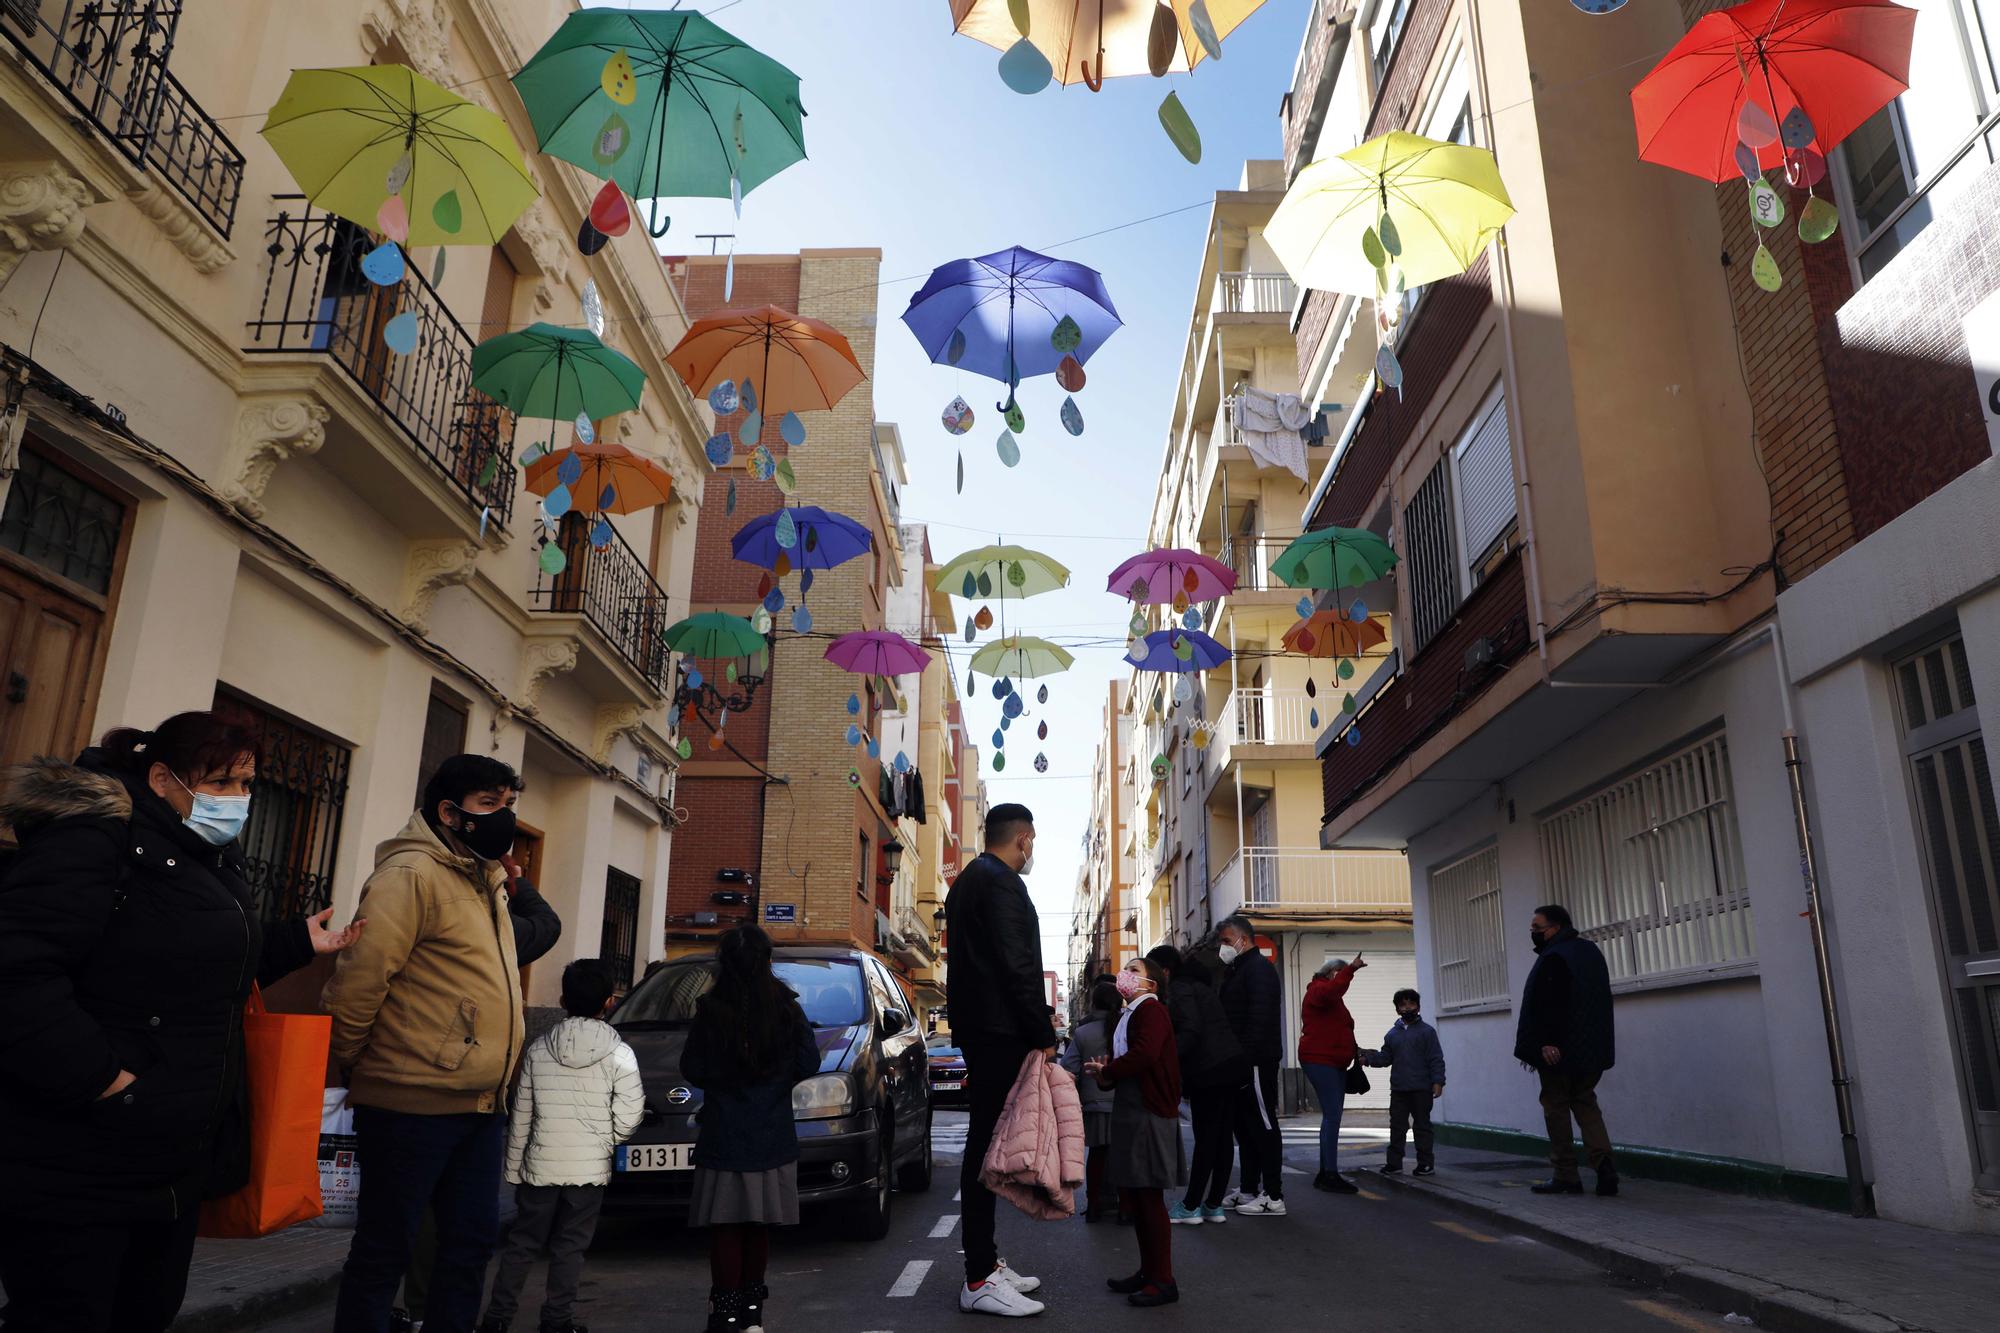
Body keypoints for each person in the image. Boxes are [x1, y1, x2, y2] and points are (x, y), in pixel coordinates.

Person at [0, 713, 365, 1332]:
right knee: (65, 1315)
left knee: (144, 1312)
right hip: (79, 1154)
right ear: (163, 778)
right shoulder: (91, 841)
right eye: (221, 782)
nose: (238, 800)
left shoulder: (209, 855)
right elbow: (17, 975)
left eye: (248, 785)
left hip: (172, 1156)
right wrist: (107, 1083)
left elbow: (192, 965)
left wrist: (291, 943)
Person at [324, 755, 530, 1332]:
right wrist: (359, 1065)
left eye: (509, 805)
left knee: (466, 1250)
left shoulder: (486, 878)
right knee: (385, 1250)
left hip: (482, 1105)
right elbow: (362, 978)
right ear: (449, 812)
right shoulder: (411, 874)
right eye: (489, 805)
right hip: (409, 1103)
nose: (504, 817)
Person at [396, 853, 563, 1333]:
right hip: (463, 1088)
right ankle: (436, 1312)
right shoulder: (494, 927)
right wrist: (519, 882)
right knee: (456, 1217)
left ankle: (423, 1307)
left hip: (444, 1084)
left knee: (429, 1211)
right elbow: (547, 925)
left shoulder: (442, 914)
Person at [478, 959, 642, 1333]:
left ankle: (497, 1319)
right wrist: (604, 1141)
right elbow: (631, 1113)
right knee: (571, 1246)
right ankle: (557, 1320)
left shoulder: (538, 1050)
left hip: (540, 1168)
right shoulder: (620, 1054)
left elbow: (520, 1114)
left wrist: (514, 1167)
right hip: (588, 1172)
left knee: (522, 1244)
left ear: (563, 999)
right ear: (609, 1002)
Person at [944, 803, 1056, 1318]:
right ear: (1024, 839)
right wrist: (1042, 1030)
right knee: (986, 1152)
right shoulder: (1003, 884)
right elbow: (1018, 968)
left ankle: (986, 1263)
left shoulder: (967, 879)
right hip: (999, 1032)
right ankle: (980, 1277)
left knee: (985, 1149)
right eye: (1033, 843)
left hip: (980, 1029)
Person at [680, 925, 820, 1333]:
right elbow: (808, 1062)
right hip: (772, 1133)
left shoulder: (710, 1008)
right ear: (767, 962)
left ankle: (722, 1314)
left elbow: (693, 1068)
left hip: (724, 1133)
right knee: (758, 1225)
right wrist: (775, 1084)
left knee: (725, 1226)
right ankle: (752, 1315)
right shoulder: (786, 1007)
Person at [1085, 958, 1184, 1309]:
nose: (1125, 975)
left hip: (1148, 1110)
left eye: (1134, 971)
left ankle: (1163, 1280)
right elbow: (1131, 1059)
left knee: (1149, 1198)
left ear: (1152, 984)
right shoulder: (1130, 1014)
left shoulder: (1151, 1011)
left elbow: (1144, 1055)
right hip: (1131, 1107)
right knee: (1137, 1198)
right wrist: (1106, 1074)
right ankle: (1148, 1272)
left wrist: (1110, 1070)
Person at [1516, 904, 1618, 1197]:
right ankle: (1605, 1166)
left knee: (1556, 1108)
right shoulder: (1590, 952)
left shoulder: (1555, 958)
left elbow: (1552, 1004)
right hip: (1593, 1050)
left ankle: (1566, 1174)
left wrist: (1547, 1042)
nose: (1533, 934)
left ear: (1556, 928)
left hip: (1559, 1051)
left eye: (1538, 928)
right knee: (1586, 1104)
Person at [1147, 945, 1249, 1226]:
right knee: (1222, 1137)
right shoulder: (1199, 985)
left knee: (1207, 1138)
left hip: (1210, 1070)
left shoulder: (1180, 989)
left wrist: (1166, 1059)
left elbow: (1190, 1029)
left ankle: (1191, 1205)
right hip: (1231, 1065)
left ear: (1164, 971)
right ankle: (1213, 1205)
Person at [1215, 916, 1287, 1216]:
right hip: (1242, 1061)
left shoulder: (1258, 970)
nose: (1223, 947)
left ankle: (1273, 1196)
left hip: (1256, 1061)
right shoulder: (1239, 970)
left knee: (1264, 1124)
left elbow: (1259, 1018)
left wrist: (1247, 1058)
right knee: (1246, 1128)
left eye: (1227, 941)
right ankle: (1248, 1188)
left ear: (1243, 938)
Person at [1299, 952, 1367, 1194]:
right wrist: (1351, 970)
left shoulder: (1327, 995)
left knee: (1331, 1117)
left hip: (1331, 1061)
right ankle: (1329, 1174)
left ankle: (1326, 1172)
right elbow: (1332, 992)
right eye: (1341, 974)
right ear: (1333, 974)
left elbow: (1339, 1025)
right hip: (1322, 1061)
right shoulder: (1318, 989)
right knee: (1332, 1117)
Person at [1360, 988, 1446, 1177]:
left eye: (1411, 1004)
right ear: (1397, 1009)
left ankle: (1425, 1164)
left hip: (1421, 1089)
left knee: (1422, 1126)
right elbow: (1386, 1057)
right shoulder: (1392, 1034)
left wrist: (1438, 1081)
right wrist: (1368, 1059)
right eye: (1403, 1005)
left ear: (1418, 1007)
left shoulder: (1427, 1032)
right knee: (1397, 1126)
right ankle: (1394, 1163)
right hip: (1399, 1089)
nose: (1408, 1008)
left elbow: (1435, 1058)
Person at [1058, 978, 1121, 1221]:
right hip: (1124, 1103)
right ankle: (1125, 1207)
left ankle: (1093, 1205)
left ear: (1094, 1003)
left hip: (1094, 1103)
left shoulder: (1083, 1032)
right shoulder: (1127, 1027)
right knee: (1122, 1155)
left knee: (1096, 1154)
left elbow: (1068, 1067)